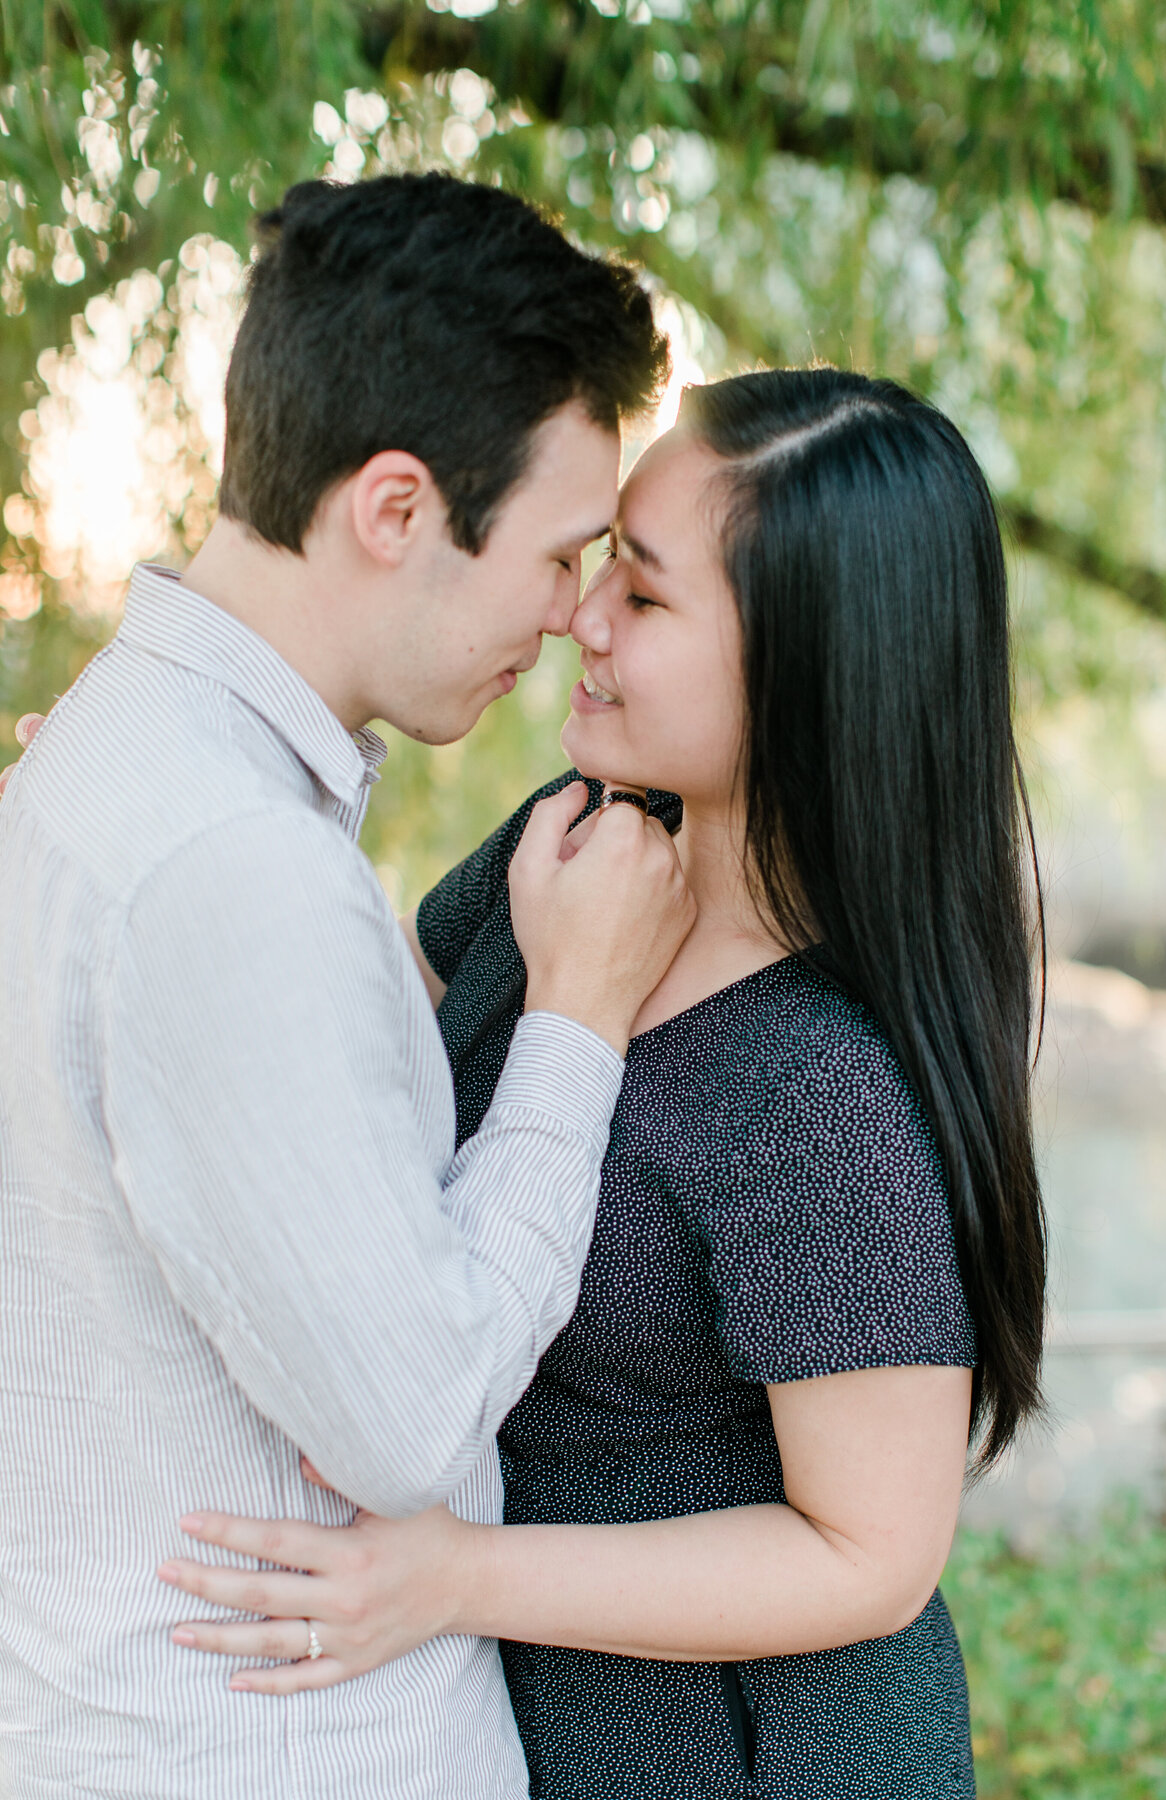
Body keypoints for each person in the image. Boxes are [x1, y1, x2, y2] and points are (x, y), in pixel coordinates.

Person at [152, 367, 1048, 1800]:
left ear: (810, 667)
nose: (581, 616)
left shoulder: (821, 1091)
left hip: (754, 1756)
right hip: (511, 1721)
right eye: (598, 565)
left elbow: (871, 1558)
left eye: (645, 591)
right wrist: (181, 823)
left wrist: (458, 1578)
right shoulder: (575, 838)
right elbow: (353, 1044)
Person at [0, 173, 697, 1800]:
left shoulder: (106, 767)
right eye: (555, 550)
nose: (573, 613)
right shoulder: (230, 863)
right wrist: (578, 1021)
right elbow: (409, 1419)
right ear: (396, 508)